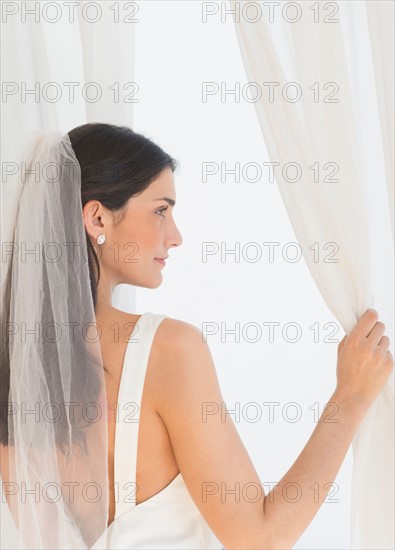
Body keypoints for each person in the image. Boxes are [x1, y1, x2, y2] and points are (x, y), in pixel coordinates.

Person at [0, 122, 393, 549]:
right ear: (98, 217)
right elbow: (261, 538)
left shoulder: (16, 375)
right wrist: (350, 398)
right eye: (160, 210)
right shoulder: (166, 349)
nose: (175, 235)